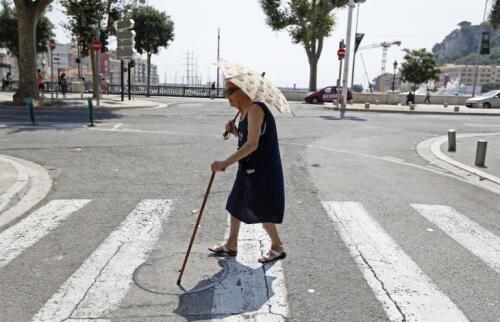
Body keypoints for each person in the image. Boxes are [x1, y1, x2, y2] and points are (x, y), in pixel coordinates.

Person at [209, 81, 286, 263]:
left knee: (261, 208)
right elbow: (248, 138)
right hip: (248, 168)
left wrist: (225, 162)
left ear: (243, 91)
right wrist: (236, 132)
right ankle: (231, 244)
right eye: (225, 91)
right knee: (235, 202)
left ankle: (277, 246)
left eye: (229, 91)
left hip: (261, 170)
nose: (226, 95)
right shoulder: (245, 112)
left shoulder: (255, 109)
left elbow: (252, 144)